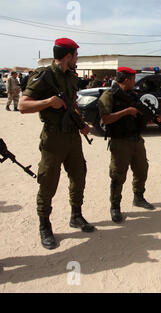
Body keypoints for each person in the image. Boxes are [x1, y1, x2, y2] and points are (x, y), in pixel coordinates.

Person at [18, 37, 95, 250]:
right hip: (53, 139)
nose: (76, 59)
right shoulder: (43, 76)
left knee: (79, 176)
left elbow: (71, 104)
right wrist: (48, 102)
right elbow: (23, 106)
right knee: (48, 182)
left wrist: (81, 123)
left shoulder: (70, 77)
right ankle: (45, 226)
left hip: (72, 137)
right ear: (68, 55)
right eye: (76, 55)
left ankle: (76, 215)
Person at [98, 67, 161, 223]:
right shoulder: (109, 95)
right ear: (126, 79)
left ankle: (138, 197)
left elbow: (138, 114)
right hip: (120, 141)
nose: (135, 82)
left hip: (136, 139)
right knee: (118, 175)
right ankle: (115, 207)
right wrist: (126, 111)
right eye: (133, 79)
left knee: (142, 170)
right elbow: (105, 119)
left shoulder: (131, 96)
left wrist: (150, 118)